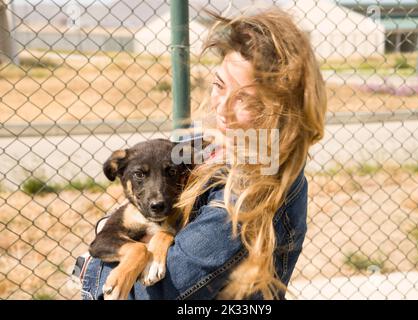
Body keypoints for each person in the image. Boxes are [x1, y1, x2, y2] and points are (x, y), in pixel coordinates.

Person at [78, 7, 327, 300]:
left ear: (281, 111)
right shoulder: (207, 148)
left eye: (245, 99)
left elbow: (149, 295)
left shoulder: (246, 195)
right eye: (219, 85)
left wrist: (89, 268)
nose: (221, 109)